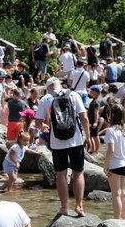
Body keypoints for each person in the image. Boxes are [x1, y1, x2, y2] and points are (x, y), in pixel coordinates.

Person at [35, 77, 90, 217]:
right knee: (78, 173)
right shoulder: (73, 94)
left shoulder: (46, 99)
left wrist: (44, 127)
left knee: (61, 174)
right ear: (60, 85)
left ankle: (64, 207)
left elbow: (37, 122)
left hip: (57, 142)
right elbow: (84, 117)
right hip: (76, 140)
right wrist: (88, 136)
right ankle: (79, 206)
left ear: (48, 88)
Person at [103, 104, 125, 220]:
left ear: (112, 115)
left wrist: (105, 166)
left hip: (115, 165)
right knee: (124, 193)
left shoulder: (110, 131)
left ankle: (117, 220)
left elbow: (111, 150)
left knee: (116, 194)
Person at [87, 85, 107, 157]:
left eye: (91, 91)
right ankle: (93, 149)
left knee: (95, 136)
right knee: (92, 136)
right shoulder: (94, 100)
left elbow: (96, 112)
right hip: (92, 120)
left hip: (94, 121)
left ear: (95, 92)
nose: (90, 92)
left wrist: (95, 122)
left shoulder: (96, 101)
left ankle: (96, 151)